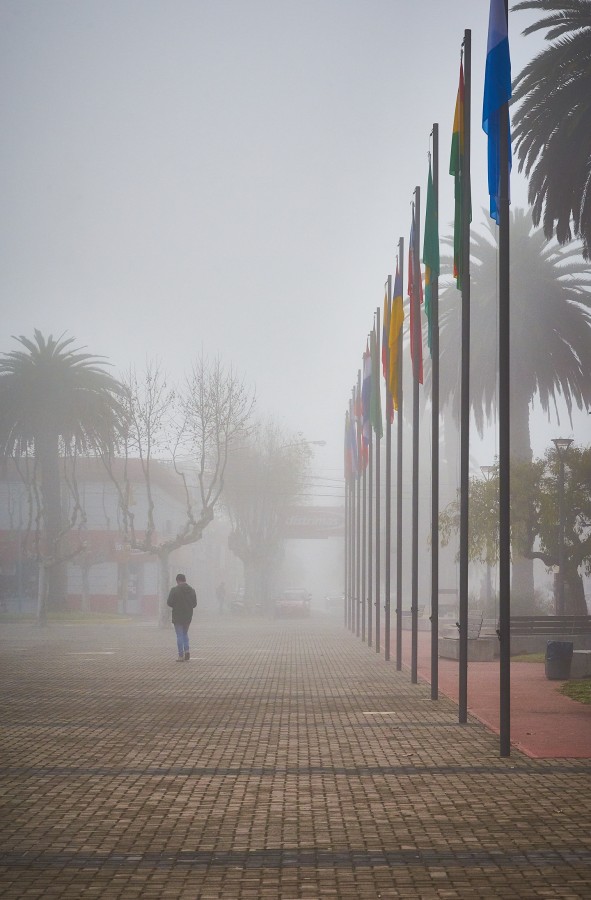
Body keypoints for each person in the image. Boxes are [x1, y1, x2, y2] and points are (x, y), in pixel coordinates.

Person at [167, 573, 197, 662]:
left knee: (179, 635)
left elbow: (169, 602)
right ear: (185, 580)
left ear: (177, 580)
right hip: (188, 616)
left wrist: (176, 605)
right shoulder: (192, 590)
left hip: (177, 616)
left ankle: (181, 655)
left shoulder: (174, 590)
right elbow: (194, 604)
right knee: (185, 634)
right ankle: (187, 650)